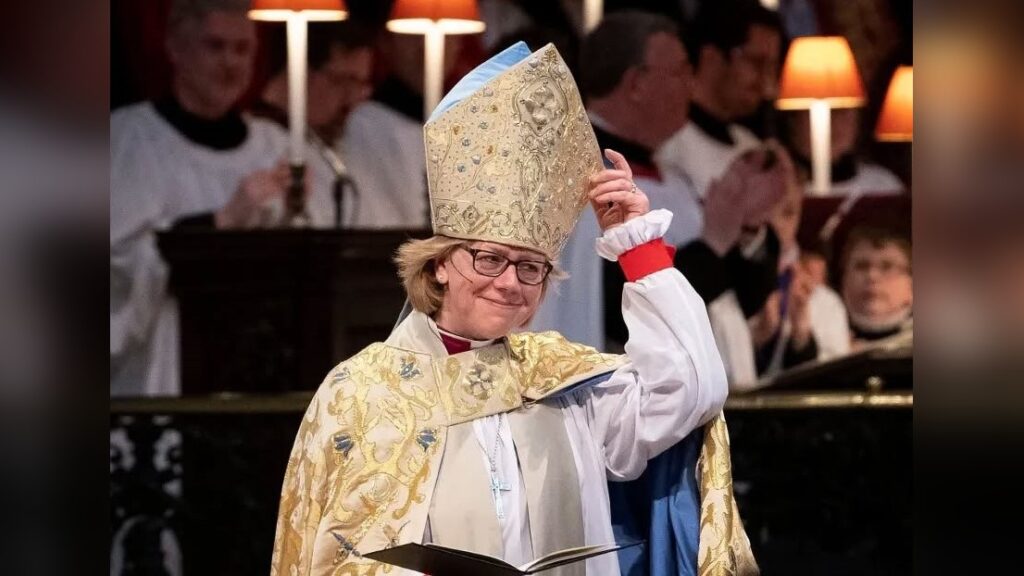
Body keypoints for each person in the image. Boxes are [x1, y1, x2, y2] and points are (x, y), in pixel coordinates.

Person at [271, 42, 756, 576]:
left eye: (531, 267)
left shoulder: (565, 387)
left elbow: (693, 388)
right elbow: (330, 557)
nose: (508, 283)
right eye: (489, 259)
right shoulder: (364, 392)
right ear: (440, 264)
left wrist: (636, 246)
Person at [532, 11, 789, 357]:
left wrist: (749, 228)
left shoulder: (676, 177)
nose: (692, 85)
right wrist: (712, 244)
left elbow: (738, 299)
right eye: (681, 72)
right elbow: (621, 312)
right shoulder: (576, 180)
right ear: (636, 84)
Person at [110, 0, 332, 396]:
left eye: (242, 49)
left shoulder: (276, 145)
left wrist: (296, 214)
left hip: (260, 367)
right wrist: (221, 223)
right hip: (166, 368)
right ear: (175, 49)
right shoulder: (129, 140)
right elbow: (118, 266)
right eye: (215, 46)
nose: (230, 63)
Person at [656, 0, 785, 198]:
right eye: (756, 62)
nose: (765, 83)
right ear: (712, 57)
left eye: (771, 67)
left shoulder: (751, 148)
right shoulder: (667, 146)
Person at [336, 31, 462, 229]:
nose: (425, 48)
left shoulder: (465, 120)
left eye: (447, 36)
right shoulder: (369, 123)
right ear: (386, 43)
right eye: (413, 35)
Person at [253, 21, 374, 144]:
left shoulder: (318, 141)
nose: (353, 100)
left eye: (361, 85)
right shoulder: (260, 145)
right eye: (341, 80)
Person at [783, 106, 905, 195]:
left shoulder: (883, 186)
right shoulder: (779, 188)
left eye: (842, 111)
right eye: (824, 112)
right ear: (792, 122)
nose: (833, 122)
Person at [840, 226, 913, 348]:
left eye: (887, 267)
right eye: (862, 266)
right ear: (844, 279)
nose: (872, 276)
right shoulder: (819, 341)